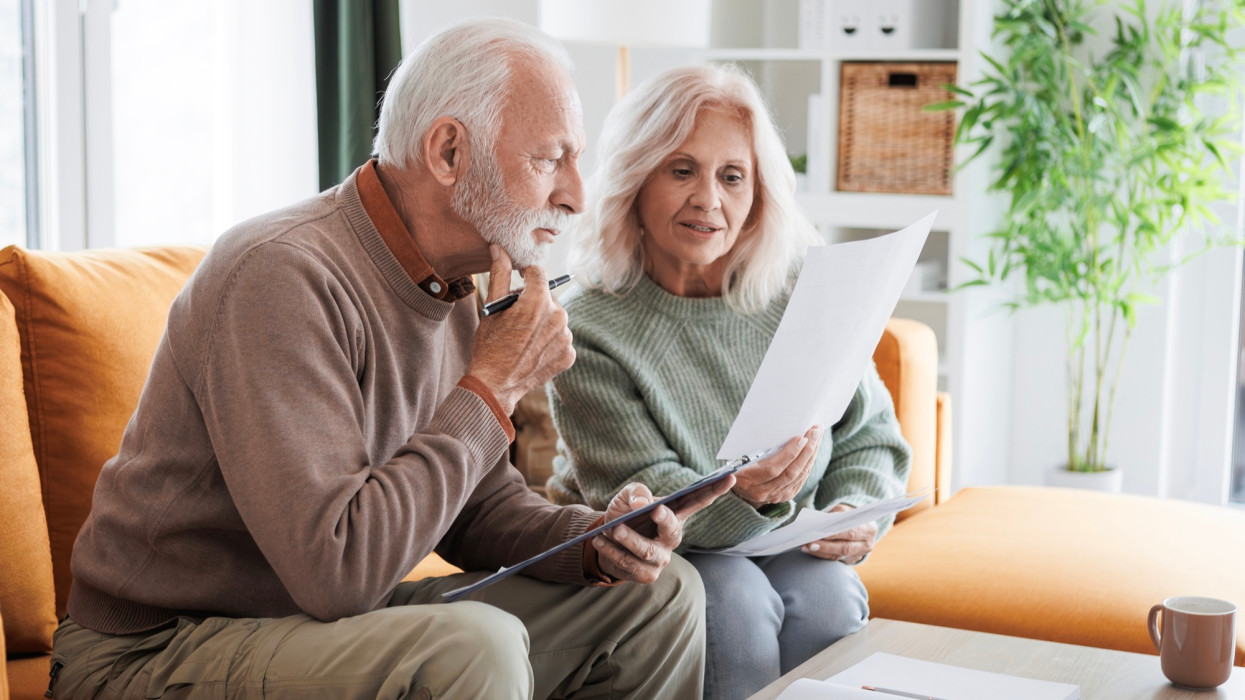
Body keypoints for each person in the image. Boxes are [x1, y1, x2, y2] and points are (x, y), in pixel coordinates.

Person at [50, 19, 733, 700]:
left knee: (657, 597)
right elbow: (337, 572)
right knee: (472, 648)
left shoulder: (459, 283)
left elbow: (474, 507)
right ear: (447, 152)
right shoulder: (279, 274)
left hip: (316, 628)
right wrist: (493, 384)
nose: (576, 195)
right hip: (153, 650)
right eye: (549, 158)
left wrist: (592, 540)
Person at [546, 64, 913, 700]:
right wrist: (747, 496)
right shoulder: (588, 325)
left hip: (791, 540)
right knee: (734, 606)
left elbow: (872, 438)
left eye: (732, 176)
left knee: (829, 599)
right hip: (660, 555)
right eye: (681, 169)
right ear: (636, 178)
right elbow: (645, 499)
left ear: (759, 192)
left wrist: (855, 514)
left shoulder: (804, 290)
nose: (708, 200)